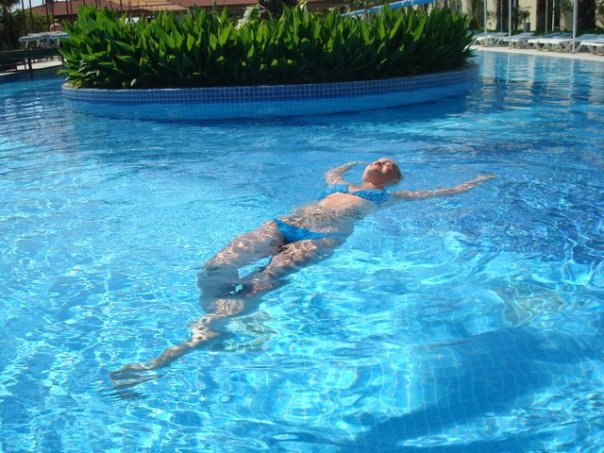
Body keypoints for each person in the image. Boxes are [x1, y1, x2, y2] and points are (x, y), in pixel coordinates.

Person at [110, 159, 494, 383]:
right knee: (215, 266)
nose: (382, 163)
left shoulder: (387, 197)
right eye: (378, 160)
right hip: (282, 225)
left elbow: (442, 192)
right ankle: (220, 315)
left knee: (261, 282)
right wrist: (341, 167)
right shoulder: (340, 183)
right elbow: (331, 173)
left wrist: (473, 183)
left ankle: (199, 337)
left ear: (393, 180)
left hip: (320, 239)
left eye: (389, 166)